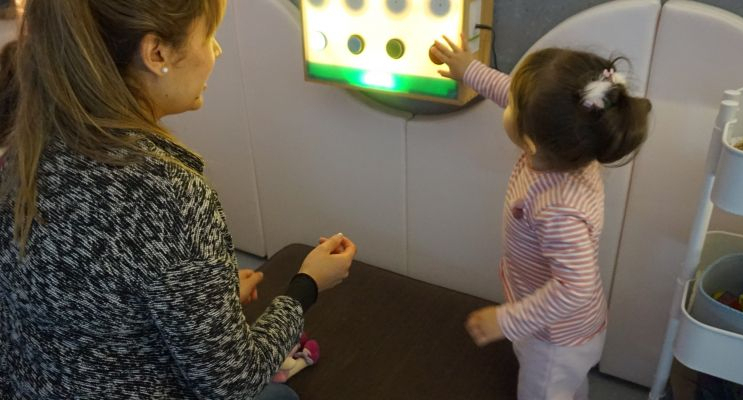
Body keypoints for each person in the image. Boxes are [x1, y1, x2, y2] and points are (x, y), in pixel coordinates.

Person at [0, 1, 356, 399]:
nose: (216, 52)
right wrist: (307, 285)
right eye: (208, 36)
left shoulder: (27, 152)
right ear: (157, 53)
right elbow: (230, 384)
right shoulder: (170, 195)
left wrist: (204, 301)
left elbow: (86, 307)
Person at [431, 36, 651, 400]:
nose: (508, 101)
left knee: (546, 391)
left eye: (514, 105)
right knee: (569, 387)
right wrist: (468, 69)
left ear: (530, 138)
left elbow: (574, 288)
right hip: (560, 329)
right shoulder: (573, 143)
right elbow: (511, 93)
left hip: (554, 341)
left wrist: (507, 321)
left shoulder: (559, 208)